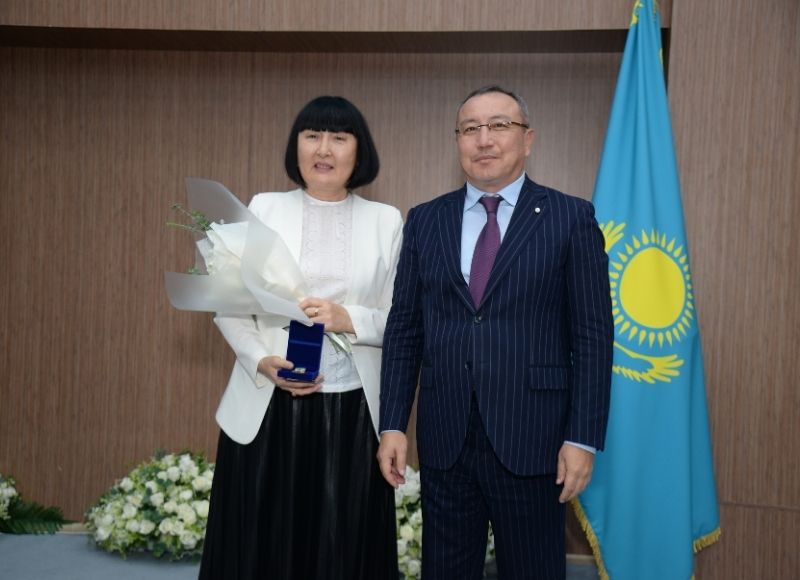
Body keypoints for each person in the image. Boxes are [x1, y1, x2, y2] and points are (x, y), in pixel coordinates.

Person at [377, 86, 614, 579]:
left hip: (535, 440)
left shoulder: (570, 217)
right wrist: (393, 423)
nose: (484, 139)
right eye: (470, 129)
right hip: (446, 438)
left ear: (527, 139)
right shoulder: (425, 220)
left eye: (499, 126)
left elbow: (593, 336)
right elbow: (404, 329)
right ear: (458, 141)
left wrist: (583, 438)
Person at [199, 96, 403, 580]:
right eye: (312, 136)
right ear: (296, 146)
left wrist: (347, 317)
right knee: (262, 546)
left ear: (359, 150)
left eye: (339, 137)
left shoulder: (386, 220)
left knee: (342, 545)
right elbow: (230, 304)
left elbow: (402, 320)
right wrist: (259, 358)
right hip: (270, 406)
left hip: (354, 409)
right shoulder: (264, 208)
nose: (323, 149)